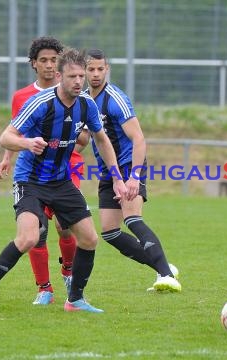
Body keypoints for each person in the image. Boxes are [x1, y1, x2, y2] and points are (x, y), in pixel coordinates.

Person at [0, 47, 127, 313]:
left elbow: (102, 140)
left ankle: (75, 300)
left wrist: (118, 179)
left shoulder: (87, 104)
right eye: (73, 76)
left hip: (61, 181)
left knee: (89, 239)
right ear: (60, 75)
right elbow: (5, 137)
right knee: (29, 237)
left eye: (81, 76)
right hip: (30, 181)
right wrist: (26, 142)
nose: (79, 82)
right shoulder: (40, 103)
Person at [0, 36, 85, 305]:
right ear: (34, 64)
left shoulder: (73, 91)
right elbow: (15, 131)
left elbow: (85, 135)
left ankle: (68, 271)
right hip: (34, 171)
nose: (49, 65)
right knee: (38, 230)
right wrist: (6, 158)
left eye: (53, 60)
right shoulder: (22, 97)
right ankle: (44, 288)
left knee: (65, 227)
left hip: (69, 167)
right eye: (43, 60)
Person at [81, 48, 181, 292]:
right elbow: (84, 137)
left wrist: (134, 176)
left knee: (133, 219)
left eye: (100, 69)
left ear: (107, 70)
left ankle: (166, 275)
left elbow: (138, 138)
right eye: (91, 69)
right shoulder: (83, 100)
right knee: (110, 232)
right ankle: (163, 266)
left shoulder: (115, 98)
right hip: (108, 172)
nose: (95, 74)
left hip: (127, 167)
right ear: (84, 71)